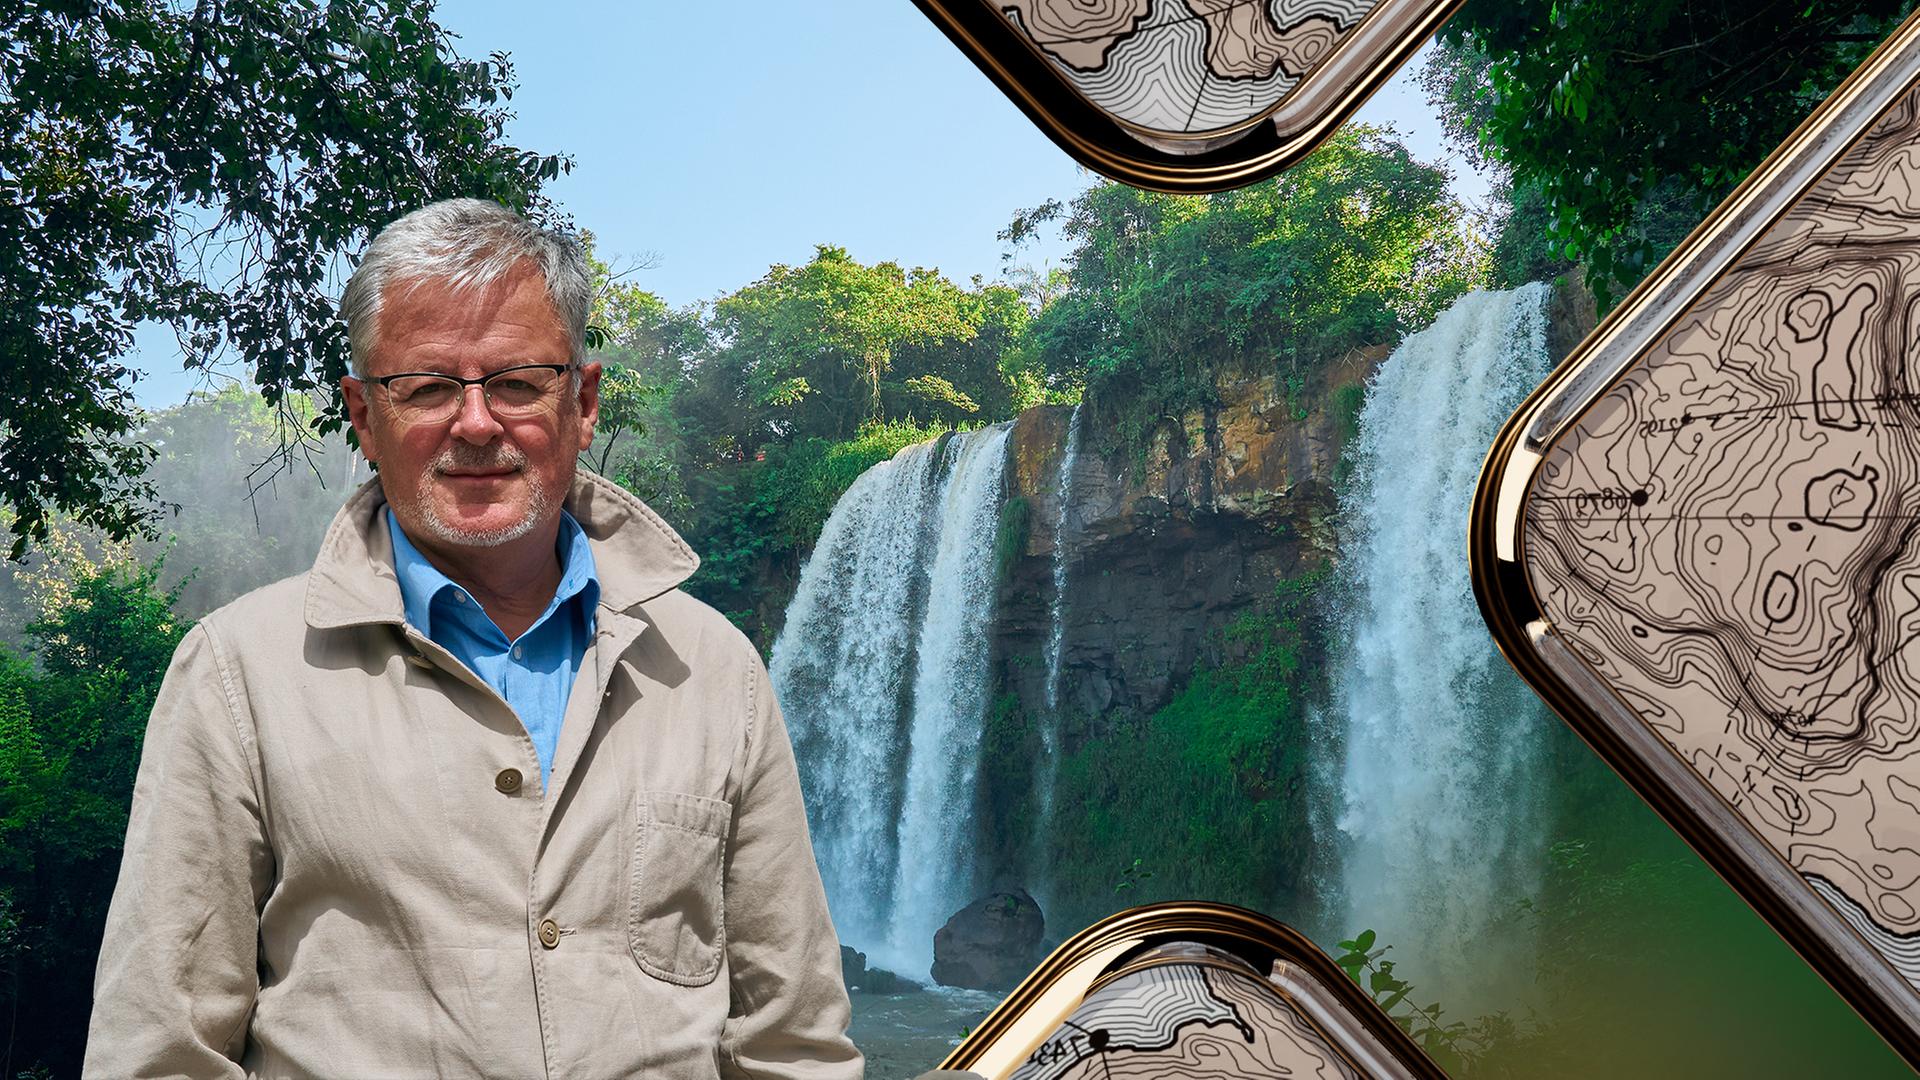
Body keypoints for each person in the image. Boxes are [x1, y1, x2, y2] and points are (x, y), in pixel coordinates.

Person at [84, 199, 863, 1078]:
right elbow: (159, 1052)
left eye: (518, 382)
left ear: (584, 401)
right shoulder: (241, 673)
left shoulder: (713, 669)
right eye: (426, 388)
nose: (478, 423)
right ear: (364, 417)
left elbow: (793, 1043)